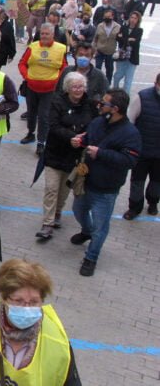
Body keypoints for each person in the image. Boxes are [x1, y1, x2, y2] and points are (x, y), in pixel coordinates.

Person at [70, 89, 141, 276]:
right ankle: (87, 231)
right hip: (86, 181)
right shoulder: (98, 122)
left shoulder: (130, 133)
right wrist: (81, 140)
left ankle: (91, 257)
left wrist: (100, 153)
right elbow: (89, 136)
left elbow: (129, 161)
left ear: (115, 109)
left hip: (106, 189)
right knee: (79, 210)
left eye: (104, 103)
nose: (100, 105)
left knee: (101, 226)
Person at [36, 72, 96, 239]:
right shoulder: (57, 101)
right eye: (75, 87)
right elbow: (53, 125)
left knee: (64, 190)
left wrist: (83, 138)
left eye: (81, 86)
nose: (78, 90)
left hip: (75, 157)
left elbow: (94, 127)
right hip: (55, 153)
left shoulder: (90, 105)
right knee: (51, 188)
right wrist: (71, 137)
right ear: (67, 88)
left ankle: (57, 213)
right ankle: (47, 223)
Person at [18, 23, 68, 155]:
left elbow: (64, 67)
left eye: (47, 34)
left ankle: (41, 142)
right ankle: (30, 133)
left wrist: (58, 81)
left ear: (53, 35)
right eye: (42, 34)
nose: (44, 36)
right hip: (32, 87)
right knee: (31, 113)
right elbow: (22, 63)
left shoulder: (61, 48)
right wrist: (26, 76)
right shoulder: (33, 46)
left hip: (50, 89)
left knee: (44, 116)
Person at [124, 73, 160, 219]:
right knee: (137, 181)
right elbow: (130, 121)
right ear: (156, 83)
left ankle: (153, 202)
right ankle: (134, 207)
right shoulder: (142, 97)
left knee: (157, 182)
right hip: (142, 150)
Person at [113, 11, 143, 93]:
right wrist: (128, 39)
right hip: (122, 56)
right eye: (132, 17)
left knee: (128, 79)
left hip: (132, 58)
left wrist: (123, 38)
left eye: (135, 18)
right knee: (117, 76)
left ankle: (125, 97)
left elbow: (135, 42)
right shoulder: (123, 28)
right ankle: (114, 92)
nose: (133, 20)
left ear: (138, 20)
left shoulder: (139, 30)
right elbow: (117, 38)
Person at [93, 9, 120, 84]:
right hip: (100, 51)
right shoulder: (100, 25)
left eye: (108, 16)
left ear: (112, 16)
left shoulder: (117, 27)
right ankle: (96, 83)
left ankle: (108, 84)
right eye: (105, 17)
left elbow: (120, 40)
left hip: (110, 52)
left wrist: (117, 51)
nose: (107, 18)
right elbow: (95, 38)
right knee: (97, 68)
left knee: (109, 69)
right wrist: (94, 49)